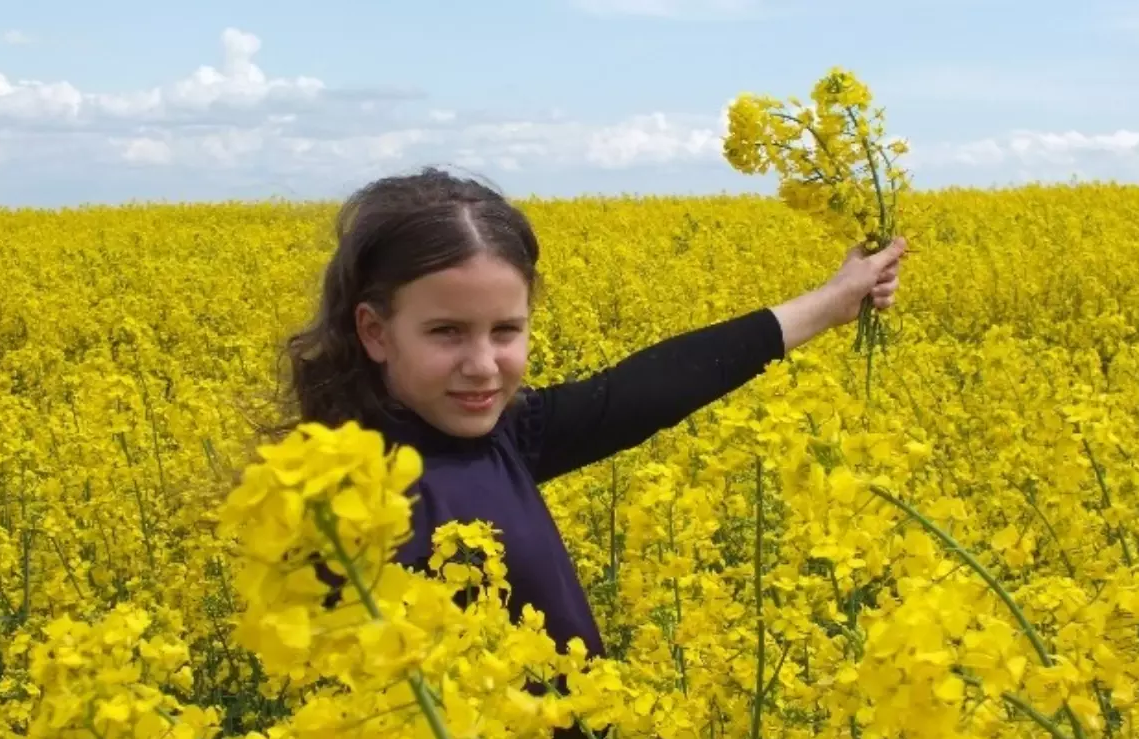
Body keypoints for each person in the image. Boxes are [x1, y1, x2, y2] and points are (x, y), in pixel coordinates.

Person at [284, 165, 904, 698]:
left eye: (506, 331)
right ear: (374, 331)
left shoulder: (499, 436)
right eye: (446, 332)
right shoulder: (342, 497)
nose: (483, 365)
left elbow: (650, 388)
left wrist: (832, 302)